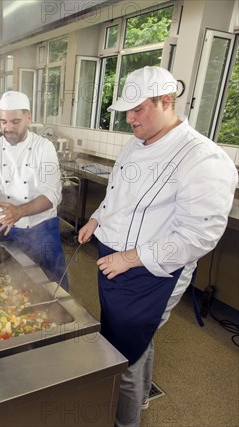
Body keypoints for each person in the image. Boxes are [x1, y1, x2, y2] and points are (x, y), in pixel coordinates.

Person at [77, 66, 237, 427]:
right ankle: (140, 399)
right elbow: (118, 194)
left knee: (123, 354)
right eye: (127, 111)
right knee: (129, 337)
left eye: (138, 110)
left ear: (166, 101)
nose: (129, 119)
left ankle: (124, 421)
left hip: (151, 273)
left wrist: (130, 259)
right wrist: (96, 219)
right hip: (114, 261)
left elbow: (199, 236)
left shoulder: (203, 158)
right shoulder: (136, 142)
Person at [0, 91, 68, 289]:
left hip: (42, 232)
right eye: (3, 122)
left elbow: (53, 194)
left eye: (15, 121)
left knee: (55, 290)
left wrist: (20, 211)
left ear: (29, 118)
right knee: (12, 288)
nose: (8, 128)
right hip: (8, 231)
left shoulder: (44, 147)